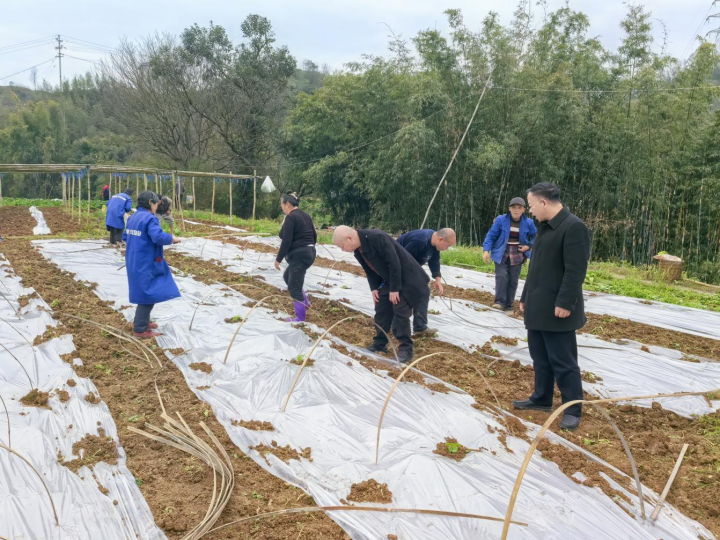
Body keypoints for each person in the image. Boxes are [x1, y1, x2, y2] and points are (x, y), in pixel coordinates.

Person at [512, 182, 590, 432]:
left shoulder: (573, 227)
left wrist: (565, 302)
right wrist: (525, 296)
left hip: (557, 309)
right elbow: (536, 267)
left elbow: (575, 271)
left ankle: (572, 409)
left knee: (563, 361)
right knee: (540, 357)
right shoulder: (544, 227)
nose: (530, 210)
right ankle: (542, 398)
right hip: (538, 305)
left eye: (531, 205)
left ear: (544, 202)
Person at [332, 225, 430, 364]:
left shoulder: (377, 237)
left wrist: (395, 289)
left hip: (407, 278)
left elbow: (394, 262)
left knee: (400, 312)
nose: (342, 249)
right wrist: (374, 288)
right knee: (382, 309)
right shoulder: (358, 250)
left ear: (350, 238)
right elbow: (369, 270)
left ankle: (406, 349)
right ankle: (380, 344)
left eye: (342, 246)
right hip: (390, 279)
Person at [123, 191, 181, 339]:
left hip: (134, 259)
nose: (156, 207)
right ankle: (140, 329)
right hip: (146, 261)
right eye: (156, 203)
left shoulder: (133, 217)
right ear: (150, 202)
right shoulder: (150, 218)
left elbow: (125, 236)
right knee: (148, 293)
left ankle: (142, 321)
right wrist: (172, 238)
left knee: (144, 290)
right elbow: (157, 237)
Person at [395, 228, 457, 336]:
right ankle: (398, 328)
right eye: (447, 246)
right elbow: (402, 259)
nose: (446, 249)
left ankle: (420, 327)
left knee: (423, 291)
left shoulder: (434, 243)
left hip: (409, 267)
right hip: (397, 266)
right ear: (440, 239)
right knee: (406, 294)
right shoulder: (420, 241)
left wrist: (437, 279)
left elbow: (434, 260)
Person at [482, 197, 537, 311]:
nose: (516, 210)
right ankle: (499, 301)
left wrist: (528, 246)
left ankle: (508, 305)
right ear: (509, 208)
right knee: (502, 276)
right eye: (513, 207)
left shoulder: (528, 222)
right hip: (501, 252)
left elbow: (536, 236)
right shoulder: (501, 220)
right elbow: (491, 235)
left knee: (513, 279)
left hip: (517, 253)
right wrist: (486, 250)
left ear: (524, 209)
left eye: (519, 208)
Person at [274, 191, 317, 322]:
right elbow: (314, 236)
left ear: (287, 204)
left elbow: (286, 241)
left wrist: (278, 259)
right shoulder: (305, 215)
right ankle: (305, 302)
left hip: (299, 255)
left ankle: (300, 318)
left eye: (282, 205)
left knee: (294, 287)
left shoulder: (291, 217)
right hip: (310, 252)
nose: (282, 208)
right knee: (288, 277)